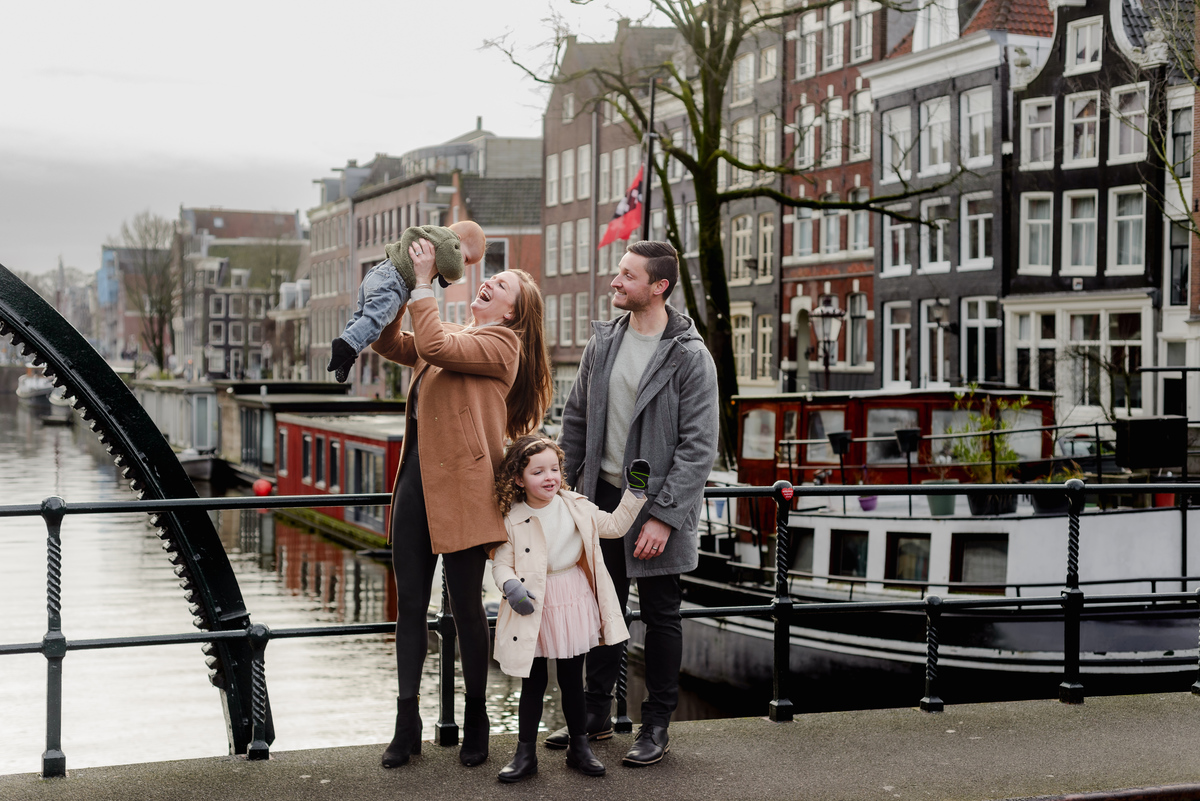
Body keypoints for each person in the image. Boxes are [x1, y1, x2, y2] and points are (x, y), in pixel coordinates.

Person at [370, 238, 552, 770]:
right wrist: (402, 285)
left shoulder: (502, 347)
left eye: (503, 285)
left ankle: (476, 719)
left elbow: (432, 347)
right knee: (409, 609)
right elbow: (393, 343)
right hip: (416, 487)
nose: (489, 280)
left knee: (469, 610)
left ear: (513, 312)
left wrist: (427, 284)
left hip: (469, 492)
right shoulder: (459, 334)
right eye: (491, 277)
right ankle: (407, 724)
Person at [553, 239, 719, 767]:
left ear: (659, 286)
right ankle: (597, 716)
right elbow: (576, 419)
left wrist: (666, 519)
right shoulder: (603, 343)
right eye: (618, 272)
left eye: (627, 275)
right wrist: (563, 488)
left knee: (662, 615)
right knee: (602, 606)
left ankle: (656, 726)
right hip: (599, 498)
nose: (615, 281)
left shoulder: (690, 356)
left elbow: (699, 448)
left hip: (657, 505)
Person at [490, 436, 650, 783]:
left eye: (554, 468)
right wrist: (510, 586)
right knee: (531, 683)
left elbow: (614, 527)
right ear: (519, 479)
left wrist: (634, 493)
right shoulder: (512, 518)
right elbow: (500, 562)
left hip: (570, 599)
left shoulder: (576, 505)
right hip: (531, 603)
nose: (549, 477)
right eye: (537, 472)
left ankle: (580, 748)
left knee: (571, 679)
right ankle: (525, 754)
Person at [327, 220, 486, 382]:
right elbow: (453, 268)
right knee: (374, 321)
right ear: (458, 239)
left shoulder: (434, 238)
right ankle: (346, 345)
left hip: (378, 274)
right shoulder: (448, 241)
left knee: (361, 318)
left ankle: (347, 355)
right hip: (393, 282)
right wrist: (450, 277)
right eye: (466, 259)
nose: (464, 265)